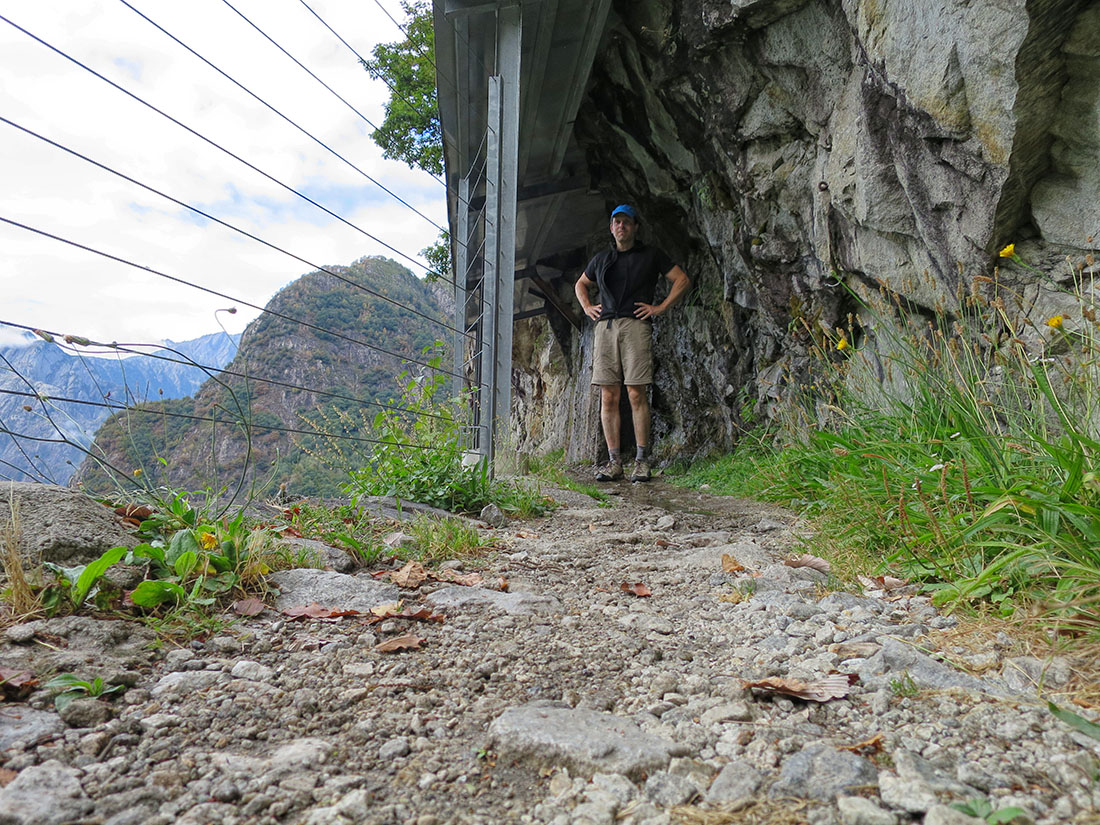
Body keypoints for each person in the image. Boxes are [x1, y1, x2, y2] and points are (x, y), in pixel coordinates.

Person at [573, 204, 691, 482]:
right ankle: (614, 463)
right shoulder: (602, 259)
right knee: (609, 396)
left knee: (636, 393)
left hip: (637, 327)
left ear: (636, 227)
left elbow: (681, 279)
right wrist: (588, 306)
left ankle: (641, 461)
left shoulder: (651, 255)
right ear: (611, 228)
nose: (621, 227)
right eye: (617, 222)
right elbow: (580, 284)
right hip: (605, 328)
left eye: (626, 222)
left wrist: (660, 307)